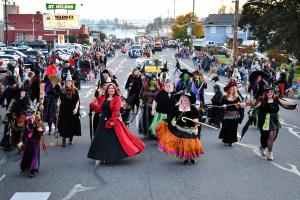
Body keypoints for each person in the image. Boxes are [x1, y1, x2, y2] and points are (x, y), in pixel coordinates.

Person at [88, 83, 145, 164]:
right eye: (109, 88)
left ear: (115, 90)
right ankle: (102, 156)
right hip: (103, 121)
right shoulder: (106, 98)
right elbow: (101, 108)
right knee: (101, 140)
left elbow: (116, 112)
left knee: (113, 141)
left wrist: (111, 122)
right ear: (107, 90)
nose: (111, 90)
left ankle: (109, 157)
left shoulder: (117, 98)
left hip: (112, 122)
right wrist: (93, 105)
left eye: (112, 88)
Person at [249, 86, 298, 160]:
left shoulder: (276, 99)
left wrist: (294, 104)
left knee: (273, 137)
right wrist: (251, 110)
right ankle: (270, 153)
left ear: (273, 92)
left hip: (274, 119)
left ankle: (263, 147)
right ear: (265, 93)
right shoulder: (262, 100)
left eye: (271, 92)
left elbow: (284, 102)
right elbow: (255, 106)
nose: (270, 93)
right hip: (265, 120)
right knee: (269, 136)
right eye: (268, 92)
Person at [156, 92, 204, 164]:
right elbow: (170, 117)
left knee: (190, 144)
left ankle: (192, 157)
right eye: (183, 97)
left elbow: (197, 117)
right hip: (180, 128)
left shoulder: (193, 108)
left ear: (189, 99)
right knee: (183, 144)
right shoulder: (176, 107)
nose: (184, 99)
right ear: (180, 98)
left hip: (191, 129)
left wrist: (196, 121)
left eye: (186, 97)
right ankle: (186, 158)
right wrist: (165, 122)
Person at [18, 109, 47, 177]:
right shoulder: (26, 121)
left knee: (34, 154)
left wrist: (41, 130)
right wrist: (21, 141)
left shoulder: (38, 120)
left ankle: (32, 170)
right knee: (26, 153)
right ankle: (24, 166)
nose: (29, 116)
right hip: (28, 140)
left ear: (33, 114)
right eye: (27, 115)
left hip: (35, 140)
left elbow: (43, 129)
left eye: (30, 115)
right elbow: (24, 131)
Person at [58, 70, 81, 147]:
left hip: (72, 110)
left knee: (72, 124)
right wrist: (58, 104)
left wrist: (76, 108)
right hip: (64, 110)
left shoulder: (75, 90)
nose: (68, 83)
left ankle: (71, 138)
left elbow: (77, 100)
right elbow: (60, 99)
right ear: (65, 83)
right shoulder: (62, 90)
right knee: (64, 125)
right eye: (67, 82)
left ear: (72, 83)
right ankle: (64, 139)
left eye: (69, 82)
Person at [219, 80, 245, 146]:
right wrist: (223, 106)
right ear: (228, 89)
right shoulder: (224, 97)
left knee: (233, 129)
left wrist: (241, 105)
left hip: (235, 115)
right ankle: (226, 139)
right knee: (226, 127)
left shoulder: (237, 98)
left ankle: (231, 141)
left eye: (233, 89)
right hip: (227, 115)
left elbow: (239, 107)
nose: (232, 90)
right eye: (231, 89)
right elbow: (220, 105)